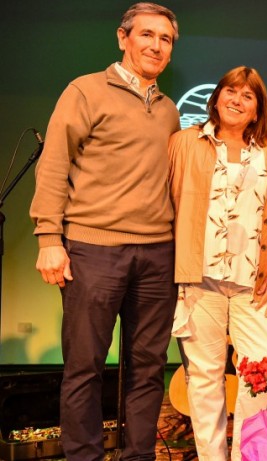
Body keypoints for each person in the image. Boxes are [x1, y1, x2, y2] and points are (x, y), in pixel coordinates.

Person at [29, 3, 178, 460]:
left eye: (166, 39)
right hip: (93, 249)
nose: (156, 45)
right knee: (84, 367)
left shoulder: (171, 110)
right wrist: (49, 239)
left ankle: (138, 456)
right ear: (122, 37)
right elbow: (54, 165)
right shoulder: (86, 91)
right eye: (147, 35)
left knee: (148, 369)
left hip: (158, 256)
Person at [168, 66, 267, 461]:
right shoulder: (184, 143)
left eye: (248, 95)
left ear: (258, 108)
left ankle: (253, 457)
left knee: (263, 375)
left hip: (259, 285)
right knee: (205, 378)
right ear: (217, 96)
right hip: (199, 281)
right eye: (231, 91)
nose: (237, 100)